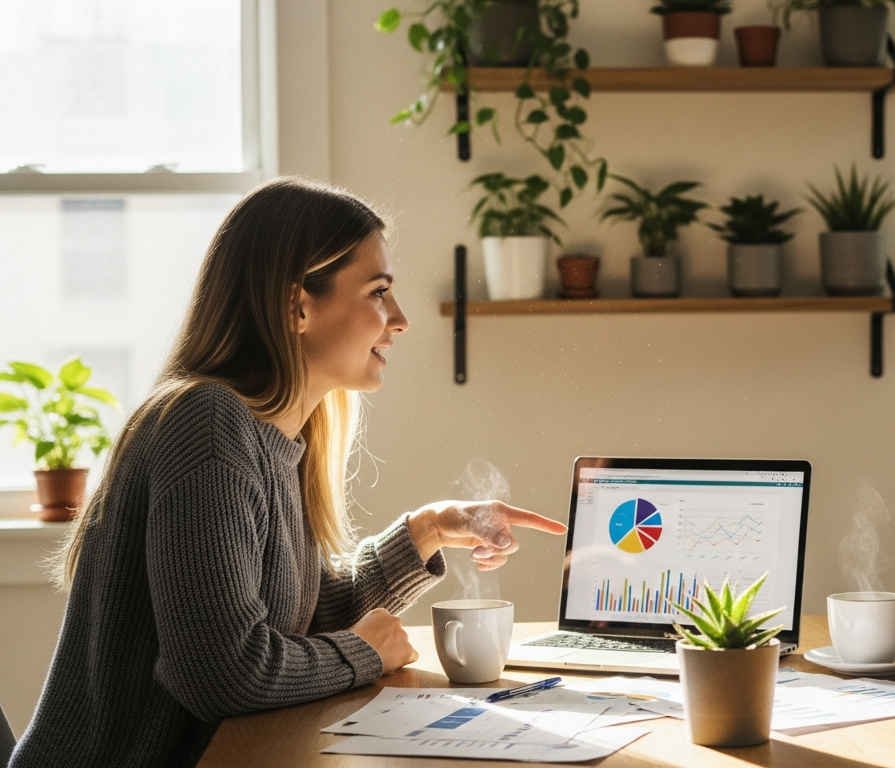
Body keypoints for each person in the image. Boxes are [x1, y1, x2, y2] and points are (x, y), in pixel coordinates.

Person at [11, 178, 568, 767]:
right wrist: (361, 653)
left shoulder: (272, 438)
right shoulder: (206, 425)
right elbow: (222, 673)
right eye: (379, 292)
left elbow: (299, 620)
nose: (400, 320)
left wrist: (427, 529)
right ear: (296, 305)